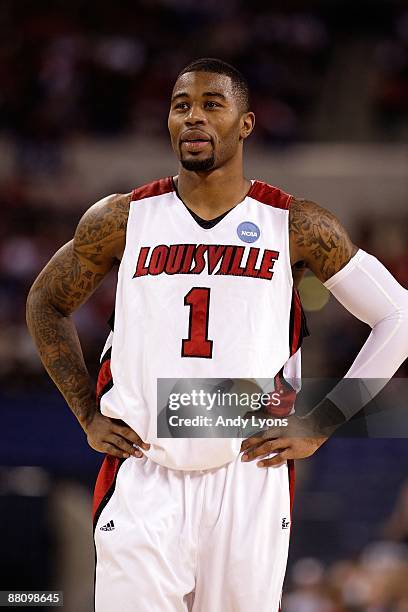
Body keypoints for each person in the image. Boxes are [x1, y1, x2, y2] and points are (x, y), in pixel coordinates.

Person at [26, 58, 408, 611]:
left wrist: (324, 421)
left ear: (246, 124)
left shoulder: (296, 223)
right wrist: (86, 412)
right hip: (144, 467)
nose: (194, 118)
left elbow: (398, 316)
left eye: (212, 104)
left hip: (248, 471)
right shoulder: (122, 218)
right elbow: (45, 301)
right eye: (181, 106)